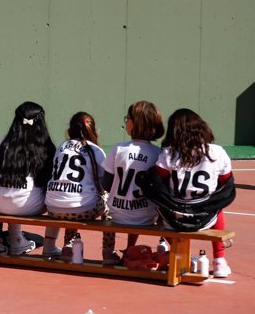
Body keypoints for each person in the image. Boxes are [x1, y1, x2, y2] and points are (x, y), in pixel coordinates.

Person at [155, 109, 233, 278]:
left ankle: (184, 256)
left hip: (174, 219)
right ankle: (219, 260)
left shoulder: (168, 154)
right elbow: (225, 181)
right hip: (205, 217)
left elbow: (158, 181)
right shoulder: (217, 152)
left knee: (158, 206)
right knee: (218, 205)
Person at [44, 112, 118, 264]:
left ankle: (68, 247)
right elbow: (105, 184)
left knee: (72, 197)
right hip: (82, 211)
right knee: (109, 203)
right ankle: (108, 252)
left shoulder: (62, 146)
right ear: (93, 130)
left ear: (70, 131)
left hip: (52, 208)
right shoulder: (95, 150)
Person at [0, 102, 57, 256]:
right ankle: (49, 246)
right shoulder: (46, 146)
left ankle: (15, 238)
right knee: (50, 194)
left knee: (15, 191)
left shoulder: (4, 141)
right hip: (28, 205)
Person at [102, 101, 164, 256]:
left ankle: (109, 252)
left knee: (107, 204)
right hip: (146, 216)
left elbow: (106, 184)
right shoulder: (158, 154)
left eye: (127, 118)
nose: (126, 122)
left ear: (136, 123)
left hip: (117, 214)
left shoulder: (119, 148)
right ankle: (166, 245)